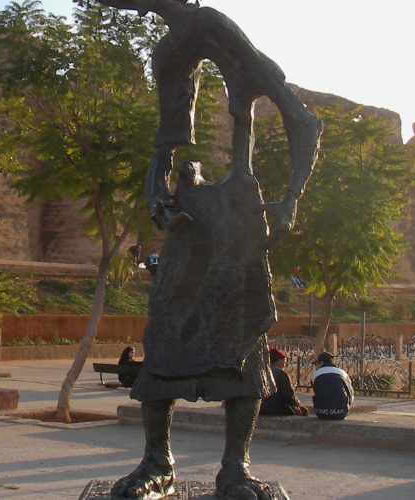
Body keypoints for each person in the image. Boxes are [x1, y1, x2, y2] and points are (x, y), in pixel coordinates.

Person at [99, 1, 322, 498]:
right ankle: (157, 461)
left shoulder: (229, 41)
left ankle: (235, 468)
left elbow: (304, 124)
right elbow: (166, 144)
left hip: (241, 212)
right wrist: (158, 196)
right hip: (191, 218)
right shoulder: (169, 57)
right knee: (164, 335)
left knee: (241, 341)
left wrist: (289, 200)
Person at [259, 349, 308, 416]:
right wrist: (297, 404)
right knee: (304, 411)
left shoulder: (261, 372)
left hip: (261, 408)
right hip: (277, 408)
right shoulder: (281, 373)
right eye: (283, 360)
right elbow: (288, 395)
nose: (285, 362)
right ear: (277, 360)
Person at [310, 352, 354, 420]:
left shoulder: (315, 375)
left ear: (321, 363)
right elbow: (350, 393)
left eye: (316, 364)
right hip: (341, 413)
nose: (315, 367)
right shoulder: (343, 373)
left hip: (321, 413)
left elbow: (317, 392)